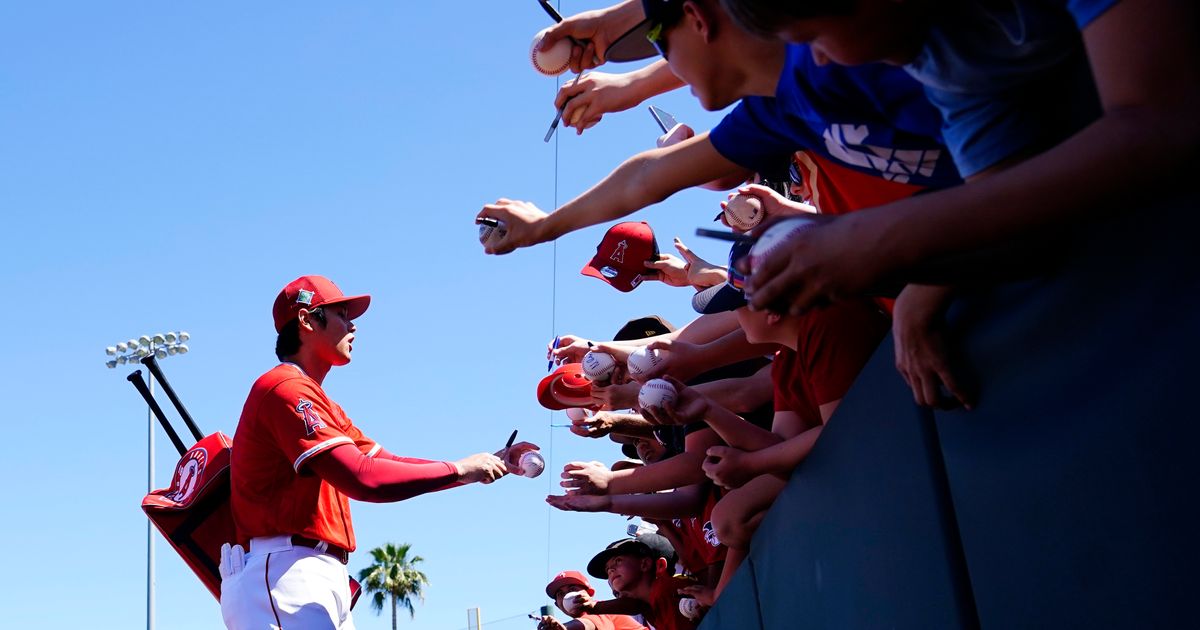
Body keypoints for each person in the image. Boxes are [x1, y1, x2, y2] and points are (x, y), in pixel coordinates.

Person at [718, 0, 1199, 409]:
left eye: (813, 37)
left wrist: (876, 238)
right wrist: (909, 284)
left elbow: (1163, 125)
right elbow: (1021, 225)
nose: (818, 61)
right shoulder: (942, 58)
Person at [477, 0, 958, 256]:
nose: (663, 68)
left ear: (698, 18)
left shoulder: (850, 50)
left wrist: (926, 282)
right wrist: (544, 226)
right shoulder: (779, 111)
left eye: (660, 47)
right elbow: (645, 178)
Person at [220, 275, 529, 629]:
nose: (352, 325)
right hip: (282, 569)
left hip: (312, 571)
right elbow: (363, 479)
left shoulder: (319, 401)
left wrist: (481, 463)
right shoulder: (283, 387)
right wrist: (461, 469)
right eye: (341, 314)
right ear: (307, 320)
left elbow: (385, 463)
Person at [538, 570, 647, 630]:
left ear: (589, 594)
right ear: (557, 605)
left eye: (573, 589)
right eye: (560, 594)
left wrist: (564, 628)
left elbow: (587, 624)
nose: (567, 595)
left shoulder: (600, 611)